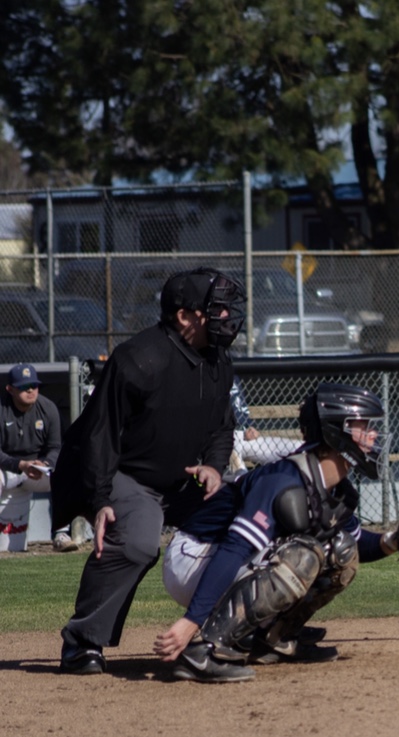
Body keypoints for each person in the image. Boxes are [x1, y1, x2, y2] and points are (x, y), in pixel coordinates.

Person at [153, 382, 399, 683]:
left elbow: (358, 545)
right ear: (336, 431)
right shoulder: (284, 479)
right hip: (194, 554)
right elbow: (234, 548)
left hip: (224, 557)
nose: (374, 436)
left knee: (342, 549)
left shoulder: (340, 492)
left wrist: (393, 540)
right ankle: (203, 651)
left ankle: (273, 639)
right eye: (364, 427)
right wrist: (191, 620)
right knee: (302, 556)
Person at [51, 267, 246, 675]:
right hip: (127, 474)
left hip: (185, 479)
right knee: (138, 541)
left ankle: (240, 631)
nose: (227, 317)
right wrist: (100, 500)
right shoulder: (140, 358)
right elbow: (99, 435)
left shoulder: (217, 360)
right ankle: (82, 642)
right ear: (184, 316)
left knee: (250, 518)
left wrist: (212, 466)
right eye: (217, 309)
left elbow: (222, 427)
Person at [0, 364, 63, 552]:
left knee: (66, 478)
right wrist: (20, 464)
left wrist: (45, 463)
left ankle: (61, 533)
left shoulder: (48, 408)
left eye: (34, 386)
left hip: (35, 471)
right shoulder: (2, 408)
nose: (30, 390)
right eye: (23, 386)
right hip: (7, 469)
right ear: (10, 389)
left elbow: (55, 447)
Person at [226, 374, 303, 479]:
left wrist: (249, 426)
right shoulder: (207, 377)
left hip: (244, 436)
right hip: (225, 438)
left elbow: (241, 408)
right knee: (240, 473)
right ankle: (244, 484)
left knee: (299, 447)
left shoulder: (232, 375)